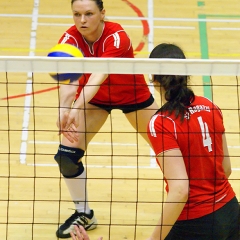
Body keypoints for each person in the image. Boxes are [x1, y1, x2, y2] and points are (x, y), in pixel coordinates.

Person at [54, 0, 158, 238]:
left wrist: (75, 109)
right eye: (77, 14)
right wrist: (63, 109)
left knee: (170, 148)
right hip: (96, 100)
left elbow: (97, 77)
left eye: (89, 14)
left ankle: (194, 199)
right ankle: (84, 213)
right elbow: (72, 81)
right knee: (66, 155)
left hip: (132, 95)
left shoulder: (116, 37)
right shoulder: (69, 40)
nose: (82, 20)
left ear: (102, 14)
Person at [146, 43, 239, 239]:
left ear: (153, 77)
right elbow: (227, 168)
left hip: (195, 223)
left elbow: (180, 190)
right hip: (231, 213)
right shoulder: (211, 106)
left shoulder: (161, 122)